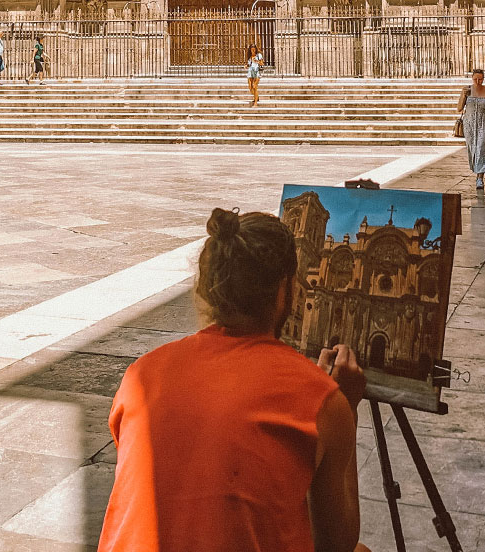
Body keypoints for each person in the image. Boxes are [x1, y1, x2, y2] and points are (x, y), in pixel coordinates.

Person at [98, 207, 370, 552]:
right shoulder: (321, 400)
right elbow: (337, 545)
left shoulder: (141, 374)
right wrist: (346, 405)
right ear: (286, 289)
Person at [456, 68, 485, 191]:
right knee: (472, 148)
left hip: (484, 122)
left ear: (483, 79)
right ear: (472, 78)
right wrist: (463, 95)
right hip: (469, 123)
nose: (478, 81)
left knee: (482, 148)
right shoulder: (467, 90)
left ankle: (480, 177)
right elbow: (459, 108)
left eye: (480, 79)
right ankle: (476, 170)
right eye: (475, 79)